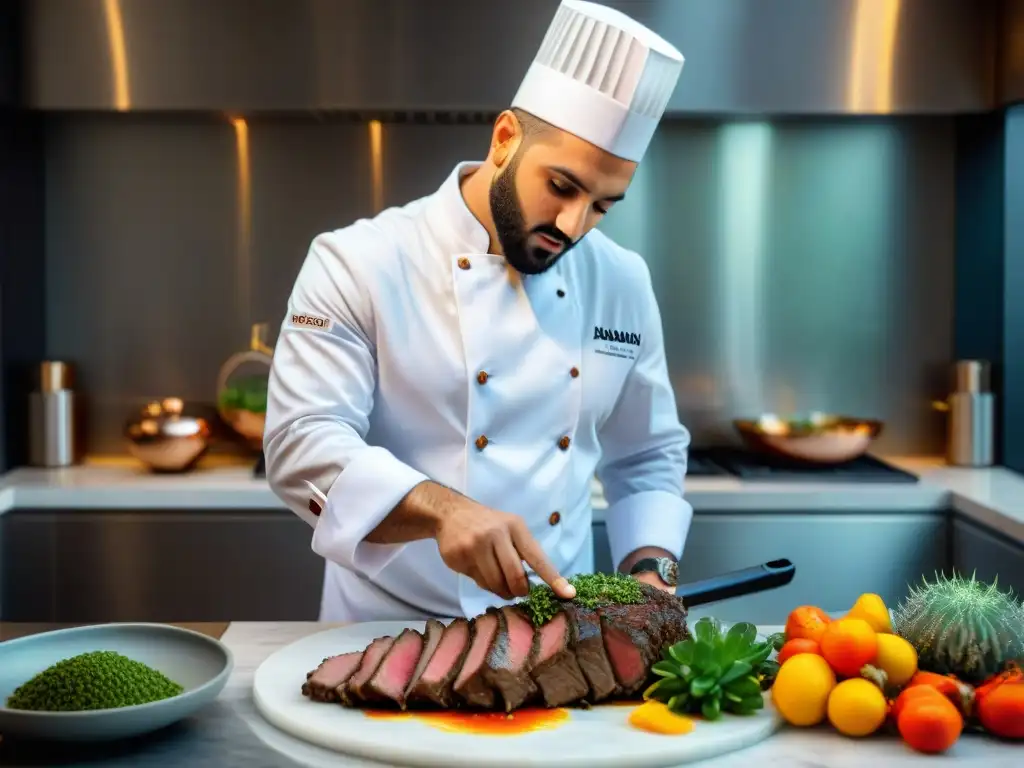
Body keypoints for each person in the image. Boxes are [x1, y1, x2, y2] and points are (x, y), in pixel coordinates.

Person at [264, 0, 694, 623]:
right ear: (505, 139)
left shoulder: (621, 280)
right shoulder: (358, 261)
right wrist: (443, 508)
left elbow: (648, 455)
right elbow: (300, 443)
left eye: (603, 205)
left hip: (553, 633)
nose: (574, 226)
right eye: (563, 187)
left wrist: (653, 572)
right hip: (385, 628)